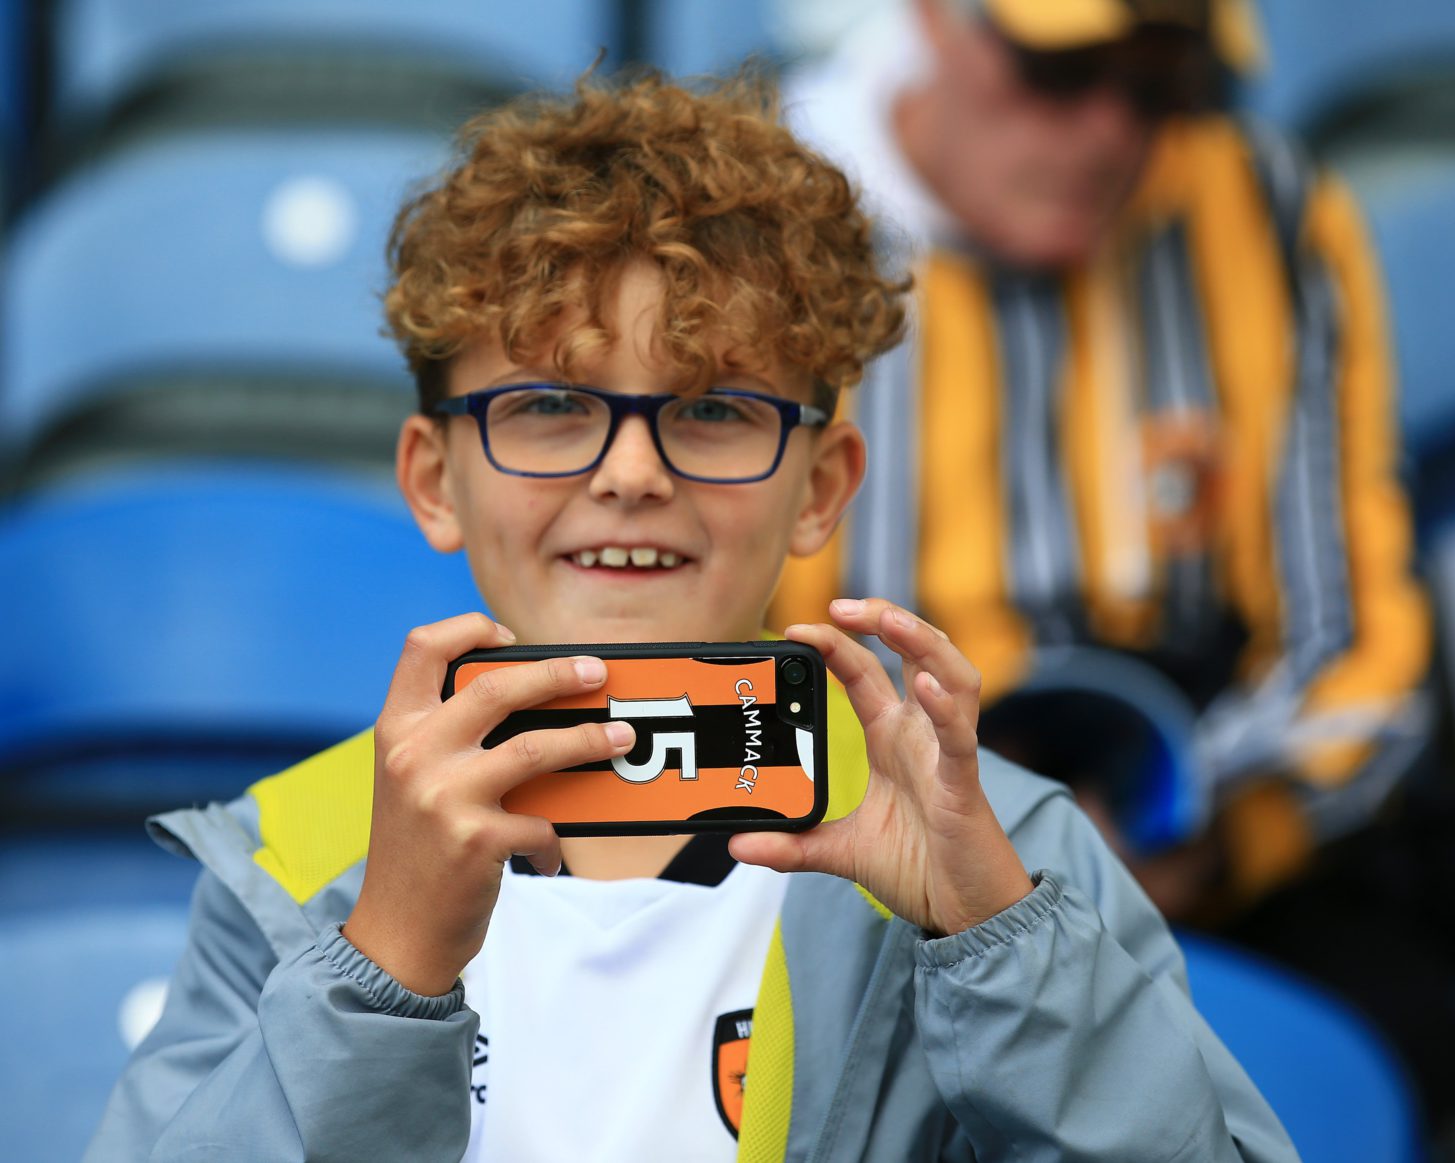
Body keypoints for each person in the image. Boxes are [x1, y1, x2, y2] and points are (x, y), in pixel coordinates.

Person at [86, 70, 1296, 1160]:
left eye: (715, 410)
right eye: (551, 403)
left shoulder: (991, 846)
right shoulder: (294, 857)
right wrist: (383, 964)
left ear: (821, 488)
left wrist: (1001, 942)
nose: (632, 471)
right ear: (433, 479)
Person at [769, 0, 1455, 1131]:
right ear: (935, 20)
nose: (1109, 130)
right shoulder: (760, 224)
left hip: (1212, 838)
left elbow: (1357, 640)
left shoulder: (1265, 208)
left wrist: (1210, 839)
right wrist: (953, 844)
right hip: (853, 842)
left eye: (1160, 85)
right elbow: (710, 637)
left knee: (1418, 1056)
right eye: (1060, 72)